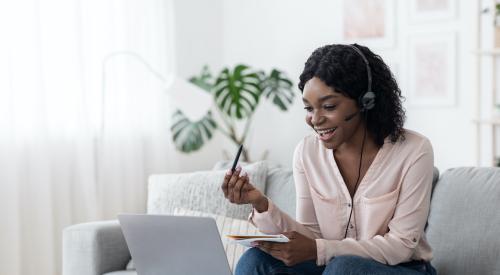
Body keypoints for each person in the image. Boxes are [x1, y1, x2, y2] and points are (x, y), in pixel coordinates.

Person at [221, 44, 437, 275]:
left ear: (366, 101)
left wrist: (320, 249)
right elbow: (311, 238)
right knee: (256, 261)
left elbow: (400, 247)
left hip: (402, 268)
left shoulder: (415, 151)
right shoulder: (306, 153)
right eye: (308, 108)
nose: (315, 119)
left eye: (328, 106)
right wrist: (261, 204)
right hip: (332, 266)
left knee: (344, 268)